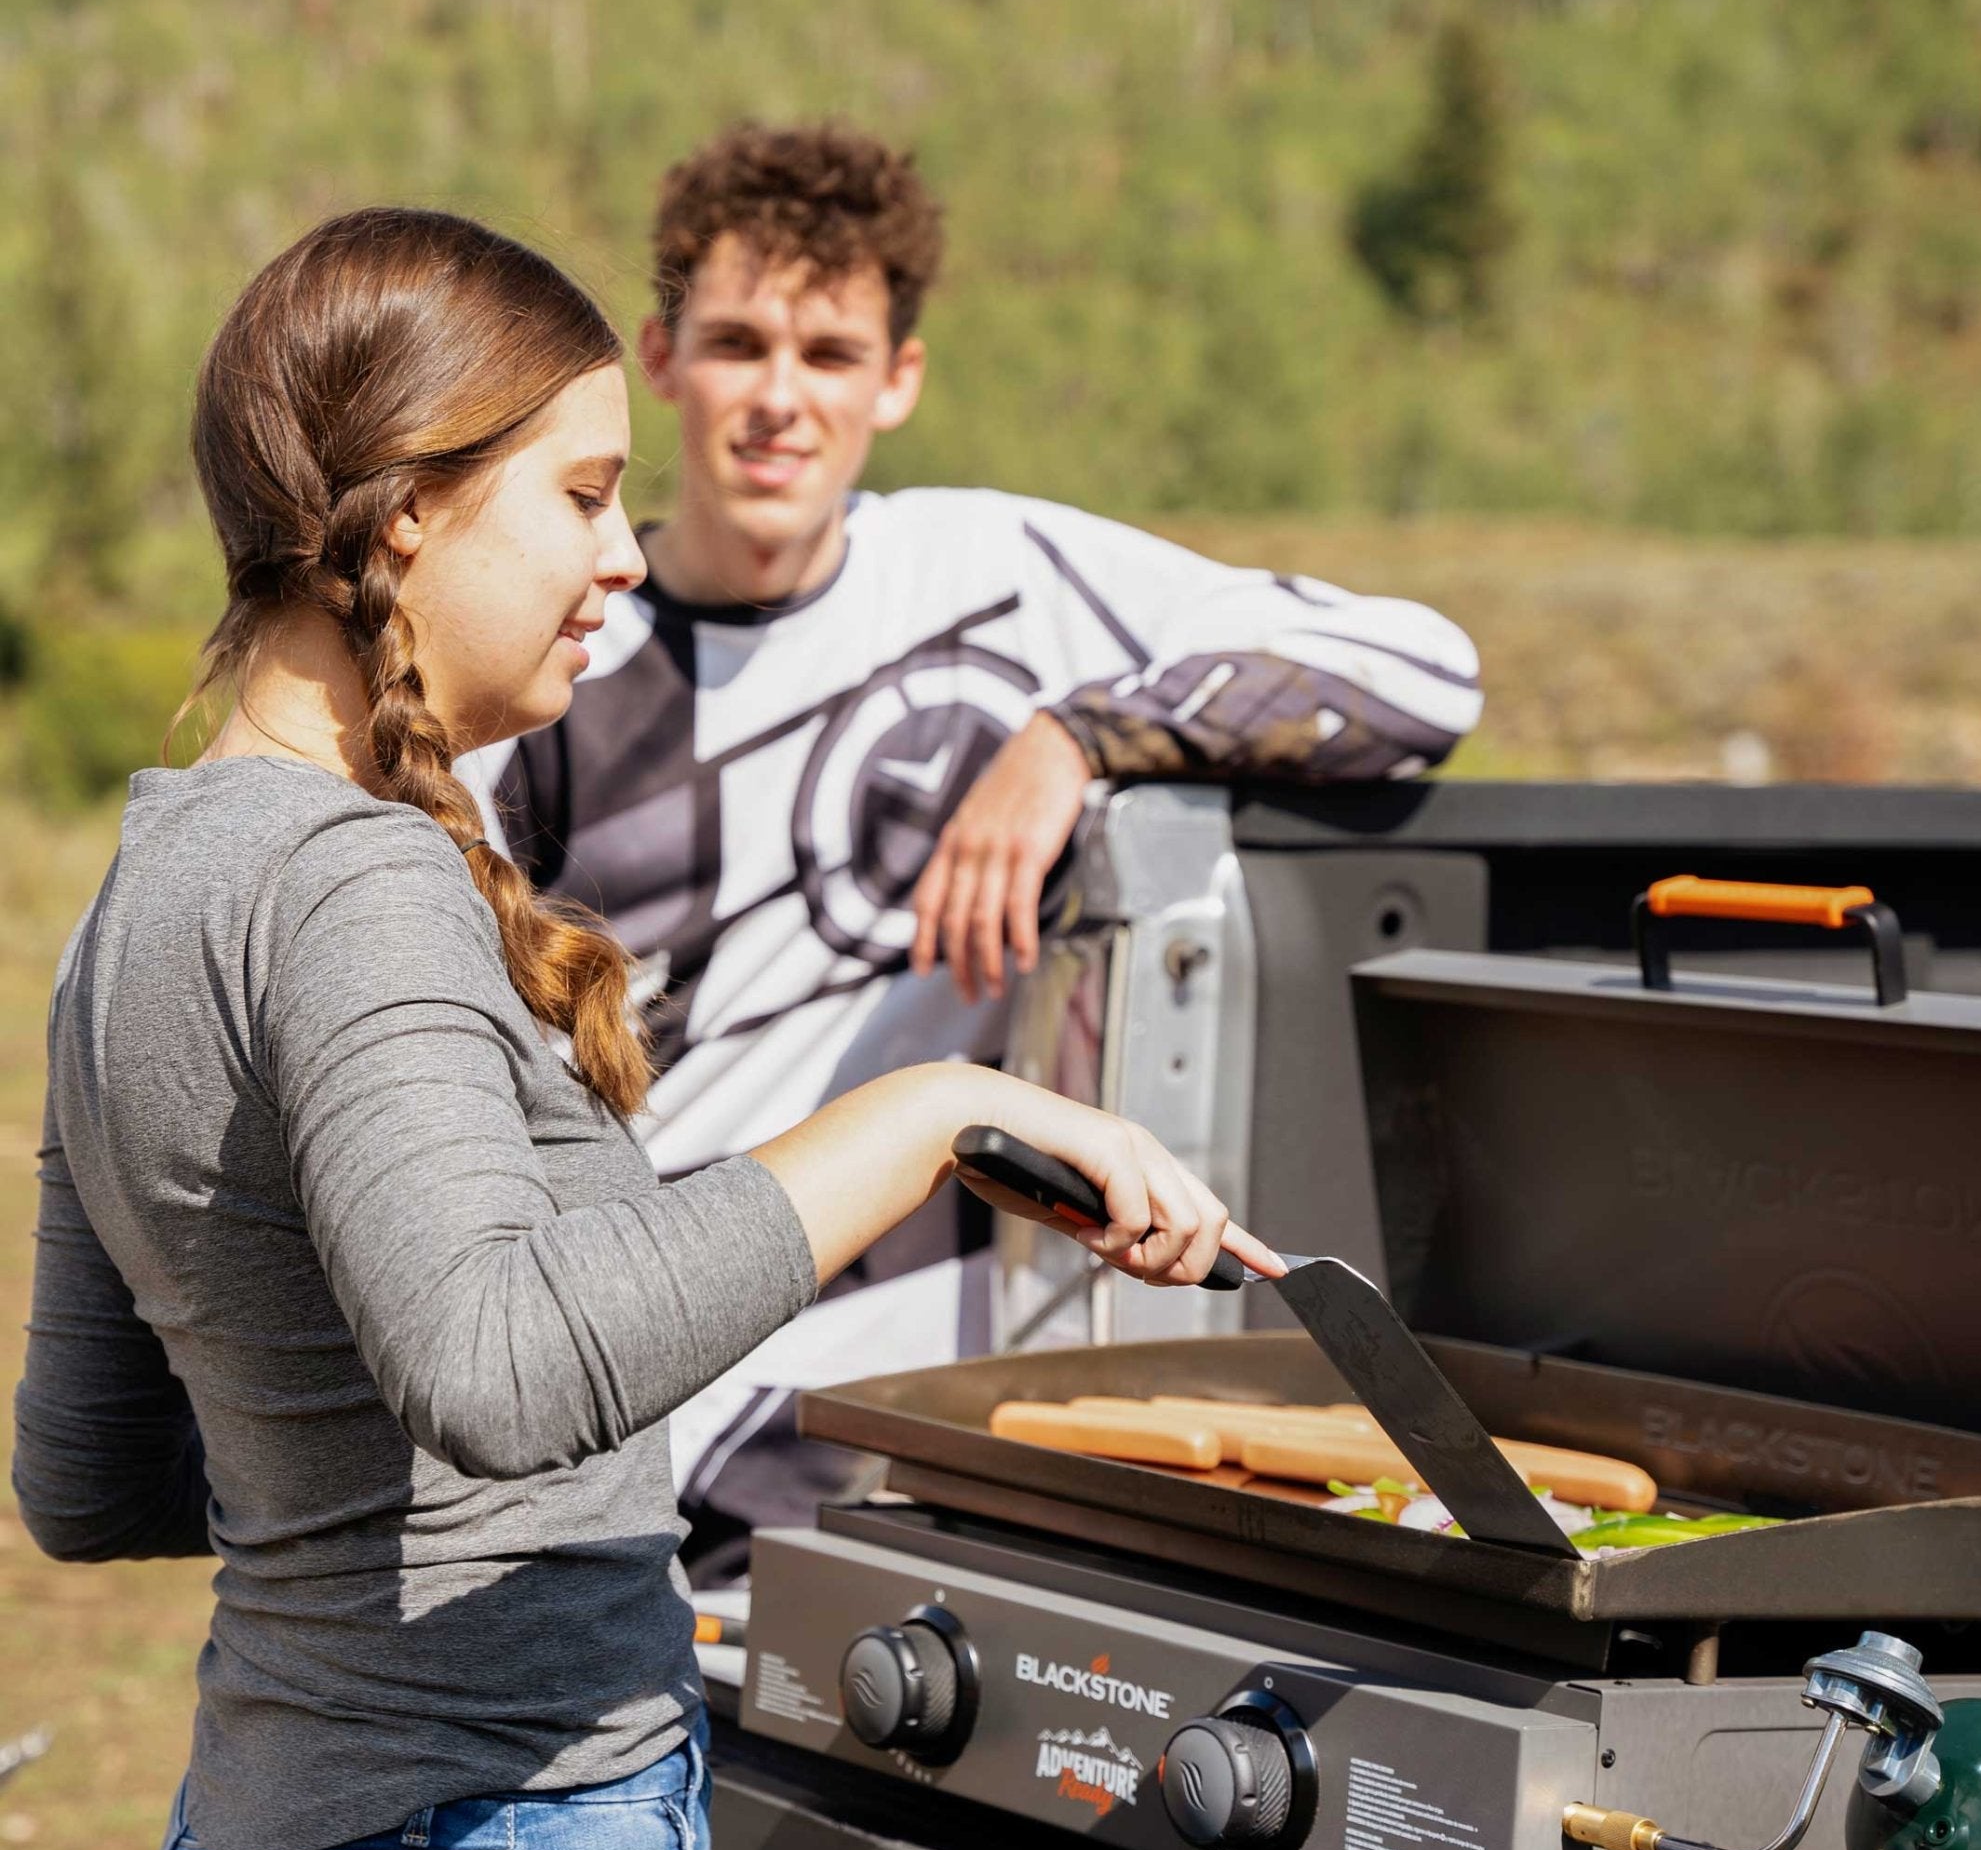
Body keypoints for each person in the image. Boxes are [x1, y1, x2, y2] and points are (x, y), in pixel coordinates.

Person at [11, 207, 1280, 1850]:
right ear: (405, 513)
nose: (625, 553)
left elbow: (89, 1479)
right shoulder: (358, 880)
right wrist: (921, 1118)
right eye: (583, 493)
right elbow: (501, 1363)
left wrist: (344, 1481)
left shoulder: (143, 892)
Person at [458, 124, 1484, 1576]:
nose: (779, 401)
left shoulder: (998, 580)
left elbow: (1425, 673)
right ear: (662, 356)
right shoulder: (560, 648)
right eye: (739, 344)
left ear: (900, 378)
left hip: (916, 1390)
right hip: (638, 1397)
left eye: (828, 355)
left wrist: (1083, 736)